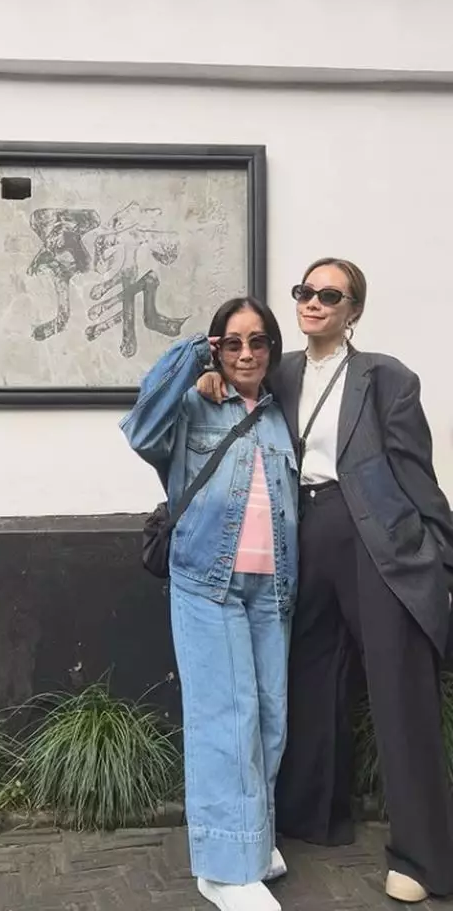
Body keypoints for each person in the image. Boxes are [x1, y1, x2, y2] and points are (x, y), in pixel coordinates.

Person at [196, 259, 453, 903]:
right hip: (298, 533)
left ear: (353, 309)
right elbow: (234, 388)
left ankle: (423, 859)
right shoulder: (277, 370)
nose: (312, 303)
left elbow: (416, 475)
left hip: (373, 539)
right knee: (309, 676)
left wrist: (440, 558)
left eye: (329, 295)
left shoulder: (387, 378)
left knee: (398, 690)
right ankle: (316, 817)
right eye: (305, 292)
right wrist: (208, 375)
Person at [120, 297, 299, 911]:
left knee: (269, 717)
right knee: (227, 718)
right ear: (217, 348)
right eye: (232, 343)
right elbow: (142, 427)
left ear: (272, 349)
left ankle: (251, 844)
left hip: (272, 589)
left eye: (258, 342)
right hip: (208, 584)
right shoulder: (195, 405)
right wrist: (197, 354)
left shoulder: (277, 415)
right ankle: (223, 870)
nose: (246, 354)